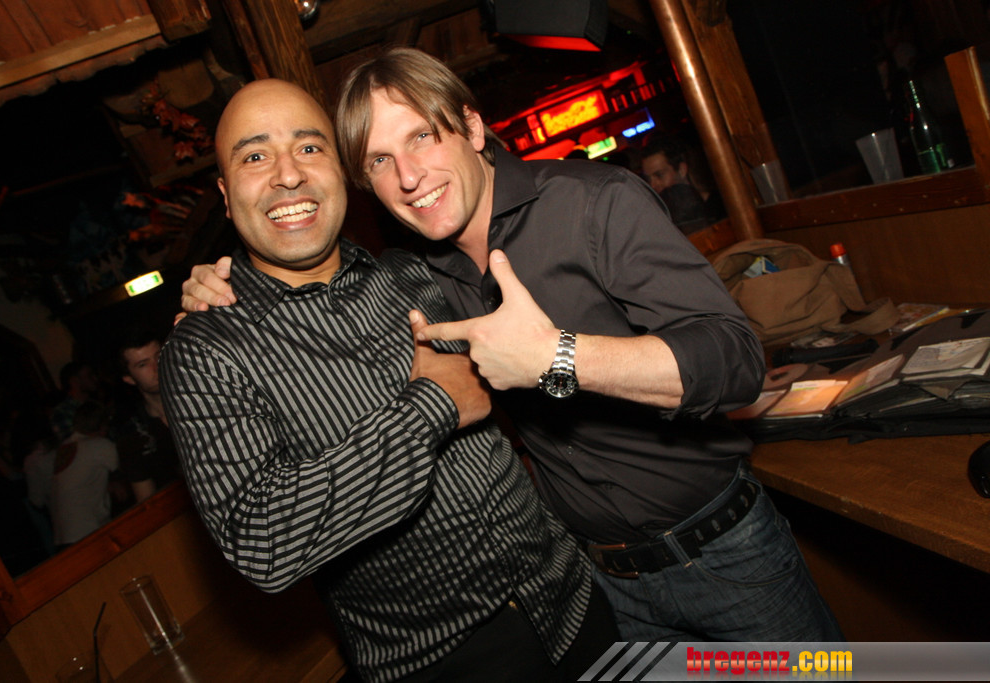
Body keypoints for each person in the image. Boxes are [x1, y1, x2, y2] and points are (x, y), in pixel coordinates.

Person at [181, 47, 842, 644]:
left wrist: (559, 356)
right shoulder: (417, 275)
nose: (408, 176)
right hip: (603, 589)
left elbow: (736, 360)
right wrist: (216, 285)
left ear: (472, 128)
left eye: (421, 136)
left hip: (726, 558)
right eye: (380, 161)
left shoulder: (591, 204)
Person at [160, 78, 616, 683]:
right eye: (254, 156)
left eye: (309, 147)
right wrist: (430, 407)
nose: (288, 175)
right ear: (225, 194)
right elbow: (263, 542)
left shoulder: (415, 273)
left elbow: (534, 383)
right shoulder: (204, 351)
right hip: (441, 666)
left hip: (575, 603)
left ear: (340, 171)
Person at [111, 325, 180, 503]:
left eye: (158, 356)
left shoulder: (204, 400)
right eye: (143, 364)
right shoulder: (135, 436)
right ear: (129, 379)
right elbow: (148, 502)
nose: (156, 366)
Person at [49, 400, 119, 550]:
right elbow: (128, 474)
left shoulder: (65, 447)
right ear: (103, 426)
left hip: (64, 537)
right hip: (87, 533)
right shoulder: (99, 445)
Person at [639, 136, 724, 233]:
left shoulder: (719, 207)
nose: (653, 185)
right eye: (648, 179)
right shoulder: (660, 217)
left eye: (660, 175)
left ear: (681, 170)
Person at [50, 360, 103, 443]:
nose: (95, 379)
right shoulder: (62, 412)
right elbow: (73, 444)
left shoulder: (97, 404)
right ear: (74, 381)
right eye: (89, 376)